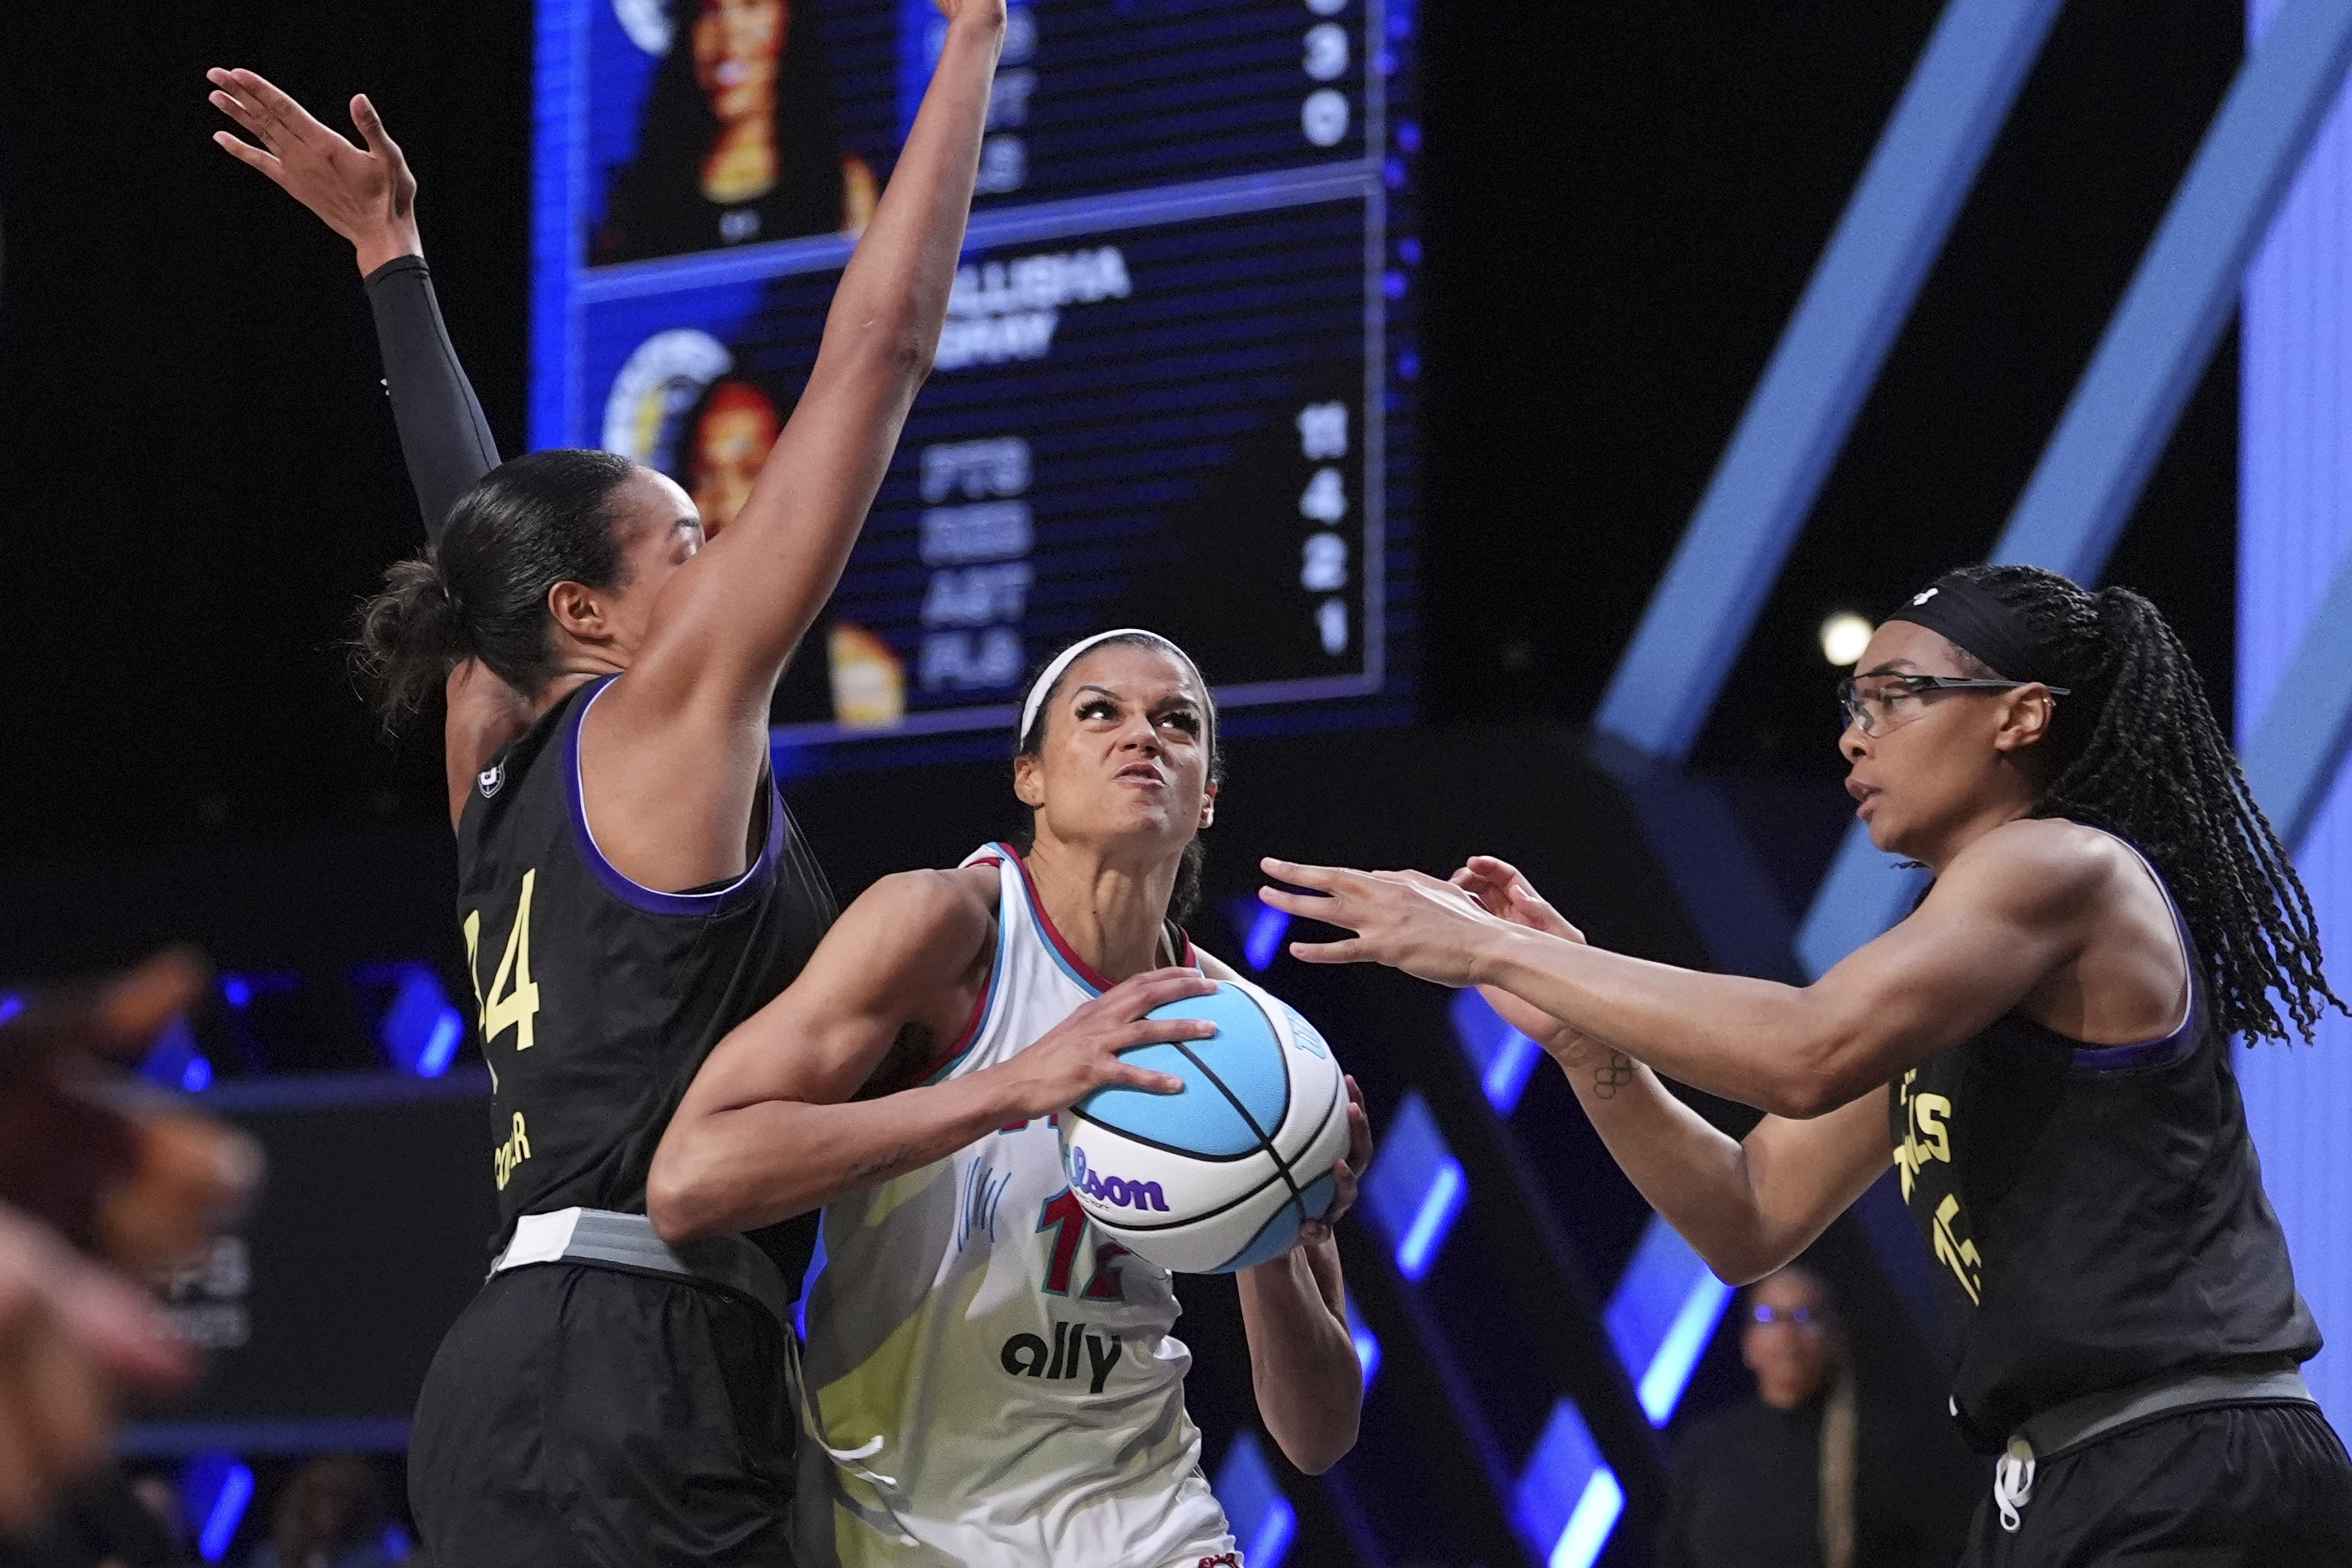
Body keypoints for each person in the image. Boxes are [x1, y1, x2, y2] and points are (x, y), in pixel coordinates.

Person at [209, 5, 1009, 1560]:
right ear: (586, 615)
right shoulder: (655, 728)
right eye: (686, 544)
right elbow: (881, 352)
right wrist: (969, 37)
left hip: (527, 1357)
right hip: (634, 1361)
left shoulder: (493, 746)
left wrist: (395, 263)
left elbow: (480, 549)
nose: (723, 559)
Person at [1258, 565, 2352, 1563]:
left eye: (1896, 696)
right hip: (2068, 1480)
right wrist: (1586, 1041)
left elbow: (1804, 1050)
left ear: (2021, 716)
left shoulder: (2061, 865)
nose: (1853, 736)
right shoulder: (1961, 955)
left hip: (2188, 1462)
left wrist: (1498, 948)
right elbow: (1750, 1212)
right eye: (1852, 705)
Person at [647, 629, 1372, 1566]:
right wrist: (1014, 1085)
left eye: (1176, 721)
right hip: (907, 1523)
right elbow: (694, 1176)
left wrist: (1281, 1225)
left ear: (1208, 798)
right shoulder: (948, 927)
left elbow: (1319, 1435)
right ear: (1029, 774)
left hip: (1149, 1520)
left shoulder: (1249, 1042)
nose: (1141, 735)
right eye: (1100, 711)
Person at [1657, 1265, 1955, 1568]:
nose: (1788, 1335)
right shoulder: (1707, 1445)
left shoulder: (1877, 1444)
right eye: (1769, 1318)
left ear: (1835, 1339)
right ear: (1749, 1343)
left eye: (1805, 1317)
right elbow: (1673, 1553)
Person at [594, 0, 879, 263]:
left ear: (788, 18)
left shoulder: (843, 188)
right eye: (709, 10)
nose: (730, 36)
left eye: (751, 4)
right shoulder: (640, 205)